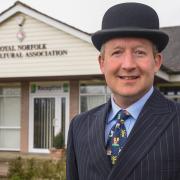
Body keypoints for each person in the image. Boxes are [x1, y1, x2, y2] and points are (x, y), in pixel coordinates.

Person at [66, 2, 180, 180]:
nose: (128, 65)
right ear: (102, 63)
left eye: (140, 52)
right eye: (117, 52)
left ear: (156, 62)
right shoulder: (79, 127)